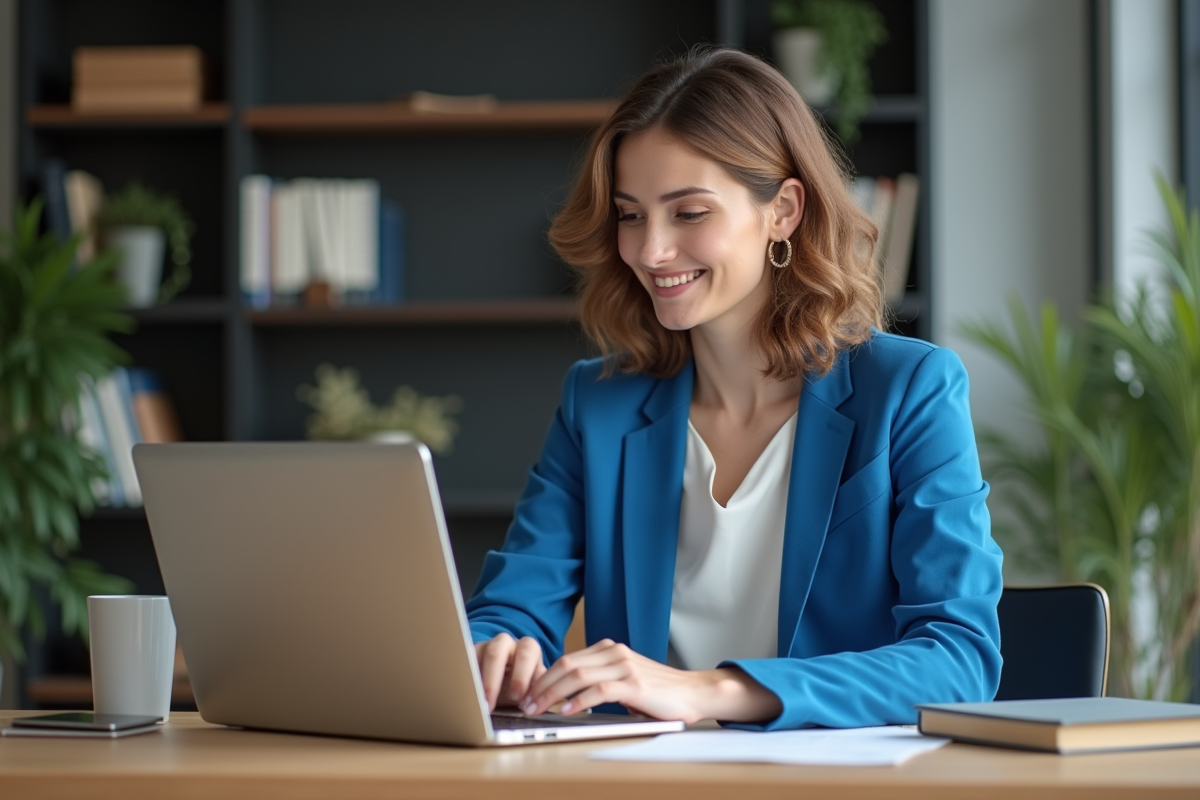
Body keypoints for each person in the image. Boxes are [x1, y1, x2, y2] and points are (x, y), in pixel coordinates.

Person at [465, 48, 1003, 730]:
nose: (651, 251)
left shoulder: (908, 390)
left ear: (783, 211)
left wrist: (708, 690)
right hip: (644, 774)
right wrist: (495, 650)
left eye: (689, 213)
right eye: (631, 215)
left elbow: (958, 658)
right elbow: (512, 607)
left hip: (836, 776)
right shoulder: (598, 404)